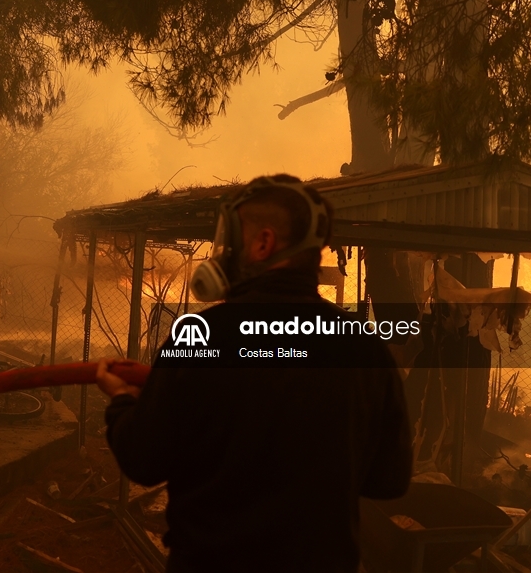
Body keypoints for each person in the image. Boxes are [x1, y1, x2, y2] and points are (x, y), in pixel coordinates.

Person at [96, 175, 411, 573]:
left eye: (232, 240)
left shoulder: (199, 338)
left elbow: (143, 460)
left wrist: (123, 402)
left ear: (263, 244)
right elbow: (390, 481)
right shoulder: (364, 347)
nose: (223, 254)